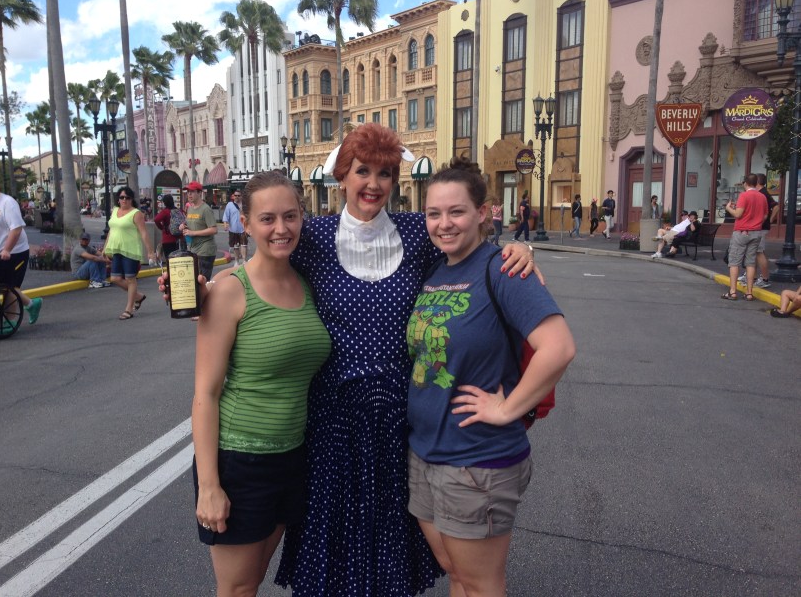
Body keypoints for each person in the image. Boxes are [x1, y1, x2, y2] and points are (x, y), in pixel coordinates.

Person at [162, 124, 537, 597]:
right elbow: (262, 269)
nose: (373, 183)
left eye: (385, 172)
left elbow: (465, 245)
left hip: (400, 422)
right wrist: (202, 291)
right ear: (343, 176)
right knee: (333, 548)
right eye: (362, 170)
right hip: (330, 425)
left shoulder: (415, 234)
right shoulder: (311, 236)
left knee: (391, 546)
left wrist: (518, 250)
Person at [407, 157, 575, 596]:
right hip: (427, 453)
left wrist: (506, 408)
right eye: (434, 213)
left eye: (456, 211)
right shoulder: (435, 269)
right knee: (457, 573)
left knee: (480, 583)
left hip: (477, 460)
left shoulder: (502, 269)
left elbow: (558, 347)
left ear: (483, 213)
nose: (444, 224)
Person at [192, 172, 332, 596]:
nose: (281, 229)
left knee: (252, 582)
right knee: (236, 589)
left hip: (292, 459)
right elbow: (205, 394)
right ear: (246, 224)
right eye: (267, 219)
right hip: (240, 463)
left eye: (290, 216)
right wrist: (210, 485)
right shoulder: (230, 292)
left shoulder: (307, 283)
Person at [0, 175, 42, 326]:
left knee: (8, 286)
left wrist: (7, 249)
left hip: (15, 252)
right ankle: (31, 304)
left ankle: (10, 320)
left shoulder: (8, 203)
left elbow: (16, 229)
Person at [104, 186, 155, 320]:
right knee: (115, 278)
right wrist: (105, 248)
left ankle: (129, 309)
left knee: (130, 279)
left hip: (131, 250)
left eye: (127, 197)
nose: (124, 200)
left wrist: (150, 251)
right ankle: (138, 296)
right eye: (122, 197)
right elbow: (111, 230)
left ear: (131, 199)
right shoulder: (115, 211)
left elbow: (144, 233)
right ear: (118, 199)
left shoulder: (136, 213)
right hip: (116, 249)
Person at [722, 173, 768, 301]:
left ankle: (732, 291)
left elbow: (738, 214)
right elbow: (765, 216)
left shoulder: (744, 195)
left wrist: (728, 208)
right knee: (751, 262)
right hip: (756, 232)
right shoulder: (762, 197)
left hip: (742, 231)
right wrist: (756, 223)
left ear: (745, 183)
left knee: (734, 261)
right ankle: (749, 292)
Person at [738, 173, 779, 289]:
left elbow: (775, 206)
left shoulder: (763, 194)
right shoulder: (760, 194)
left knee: (759, 252)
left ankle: (765, 278)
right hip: (757, 226)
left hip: (760, 227)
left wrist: (769, 220)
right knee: (754, 252)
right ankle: (752, 276)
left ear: (758, 183)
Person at [182, 181, 218, 281]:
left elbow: (214, 229)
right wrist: (184, 226)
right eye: (188, 192)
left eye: (192, 192)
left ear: (199, 193)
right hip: (193, 249)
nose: (189, 194)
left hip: (205, 250)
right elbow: (192, 224)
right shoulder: (190, 208)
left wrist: (193, 233)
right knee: (194, 282)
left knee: (201, 281)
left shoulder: (205, 209)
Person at [222, 189, 248, 265]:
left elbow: (249, 215)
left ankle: (244, 260)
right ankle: (236, 261)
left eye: (238, 196)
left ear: (241, 196)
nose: (236, 197)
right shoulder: (229, 205)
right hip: (233, 229)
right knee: (236, 246)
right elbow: (226, 215)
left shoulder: (244, 205)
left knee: (244, 244)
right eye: (235, 195)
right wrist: (225, 224)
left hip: (243, 229)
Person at [153, 194, 182, 261]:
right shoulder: (179, 211)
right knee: (178, 261)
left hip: (168, 239)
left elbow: (156, 219)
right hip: (179, 239)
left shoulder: (165, 212)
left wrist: (162, 227)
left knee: (169, 261)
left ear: (165, 203)